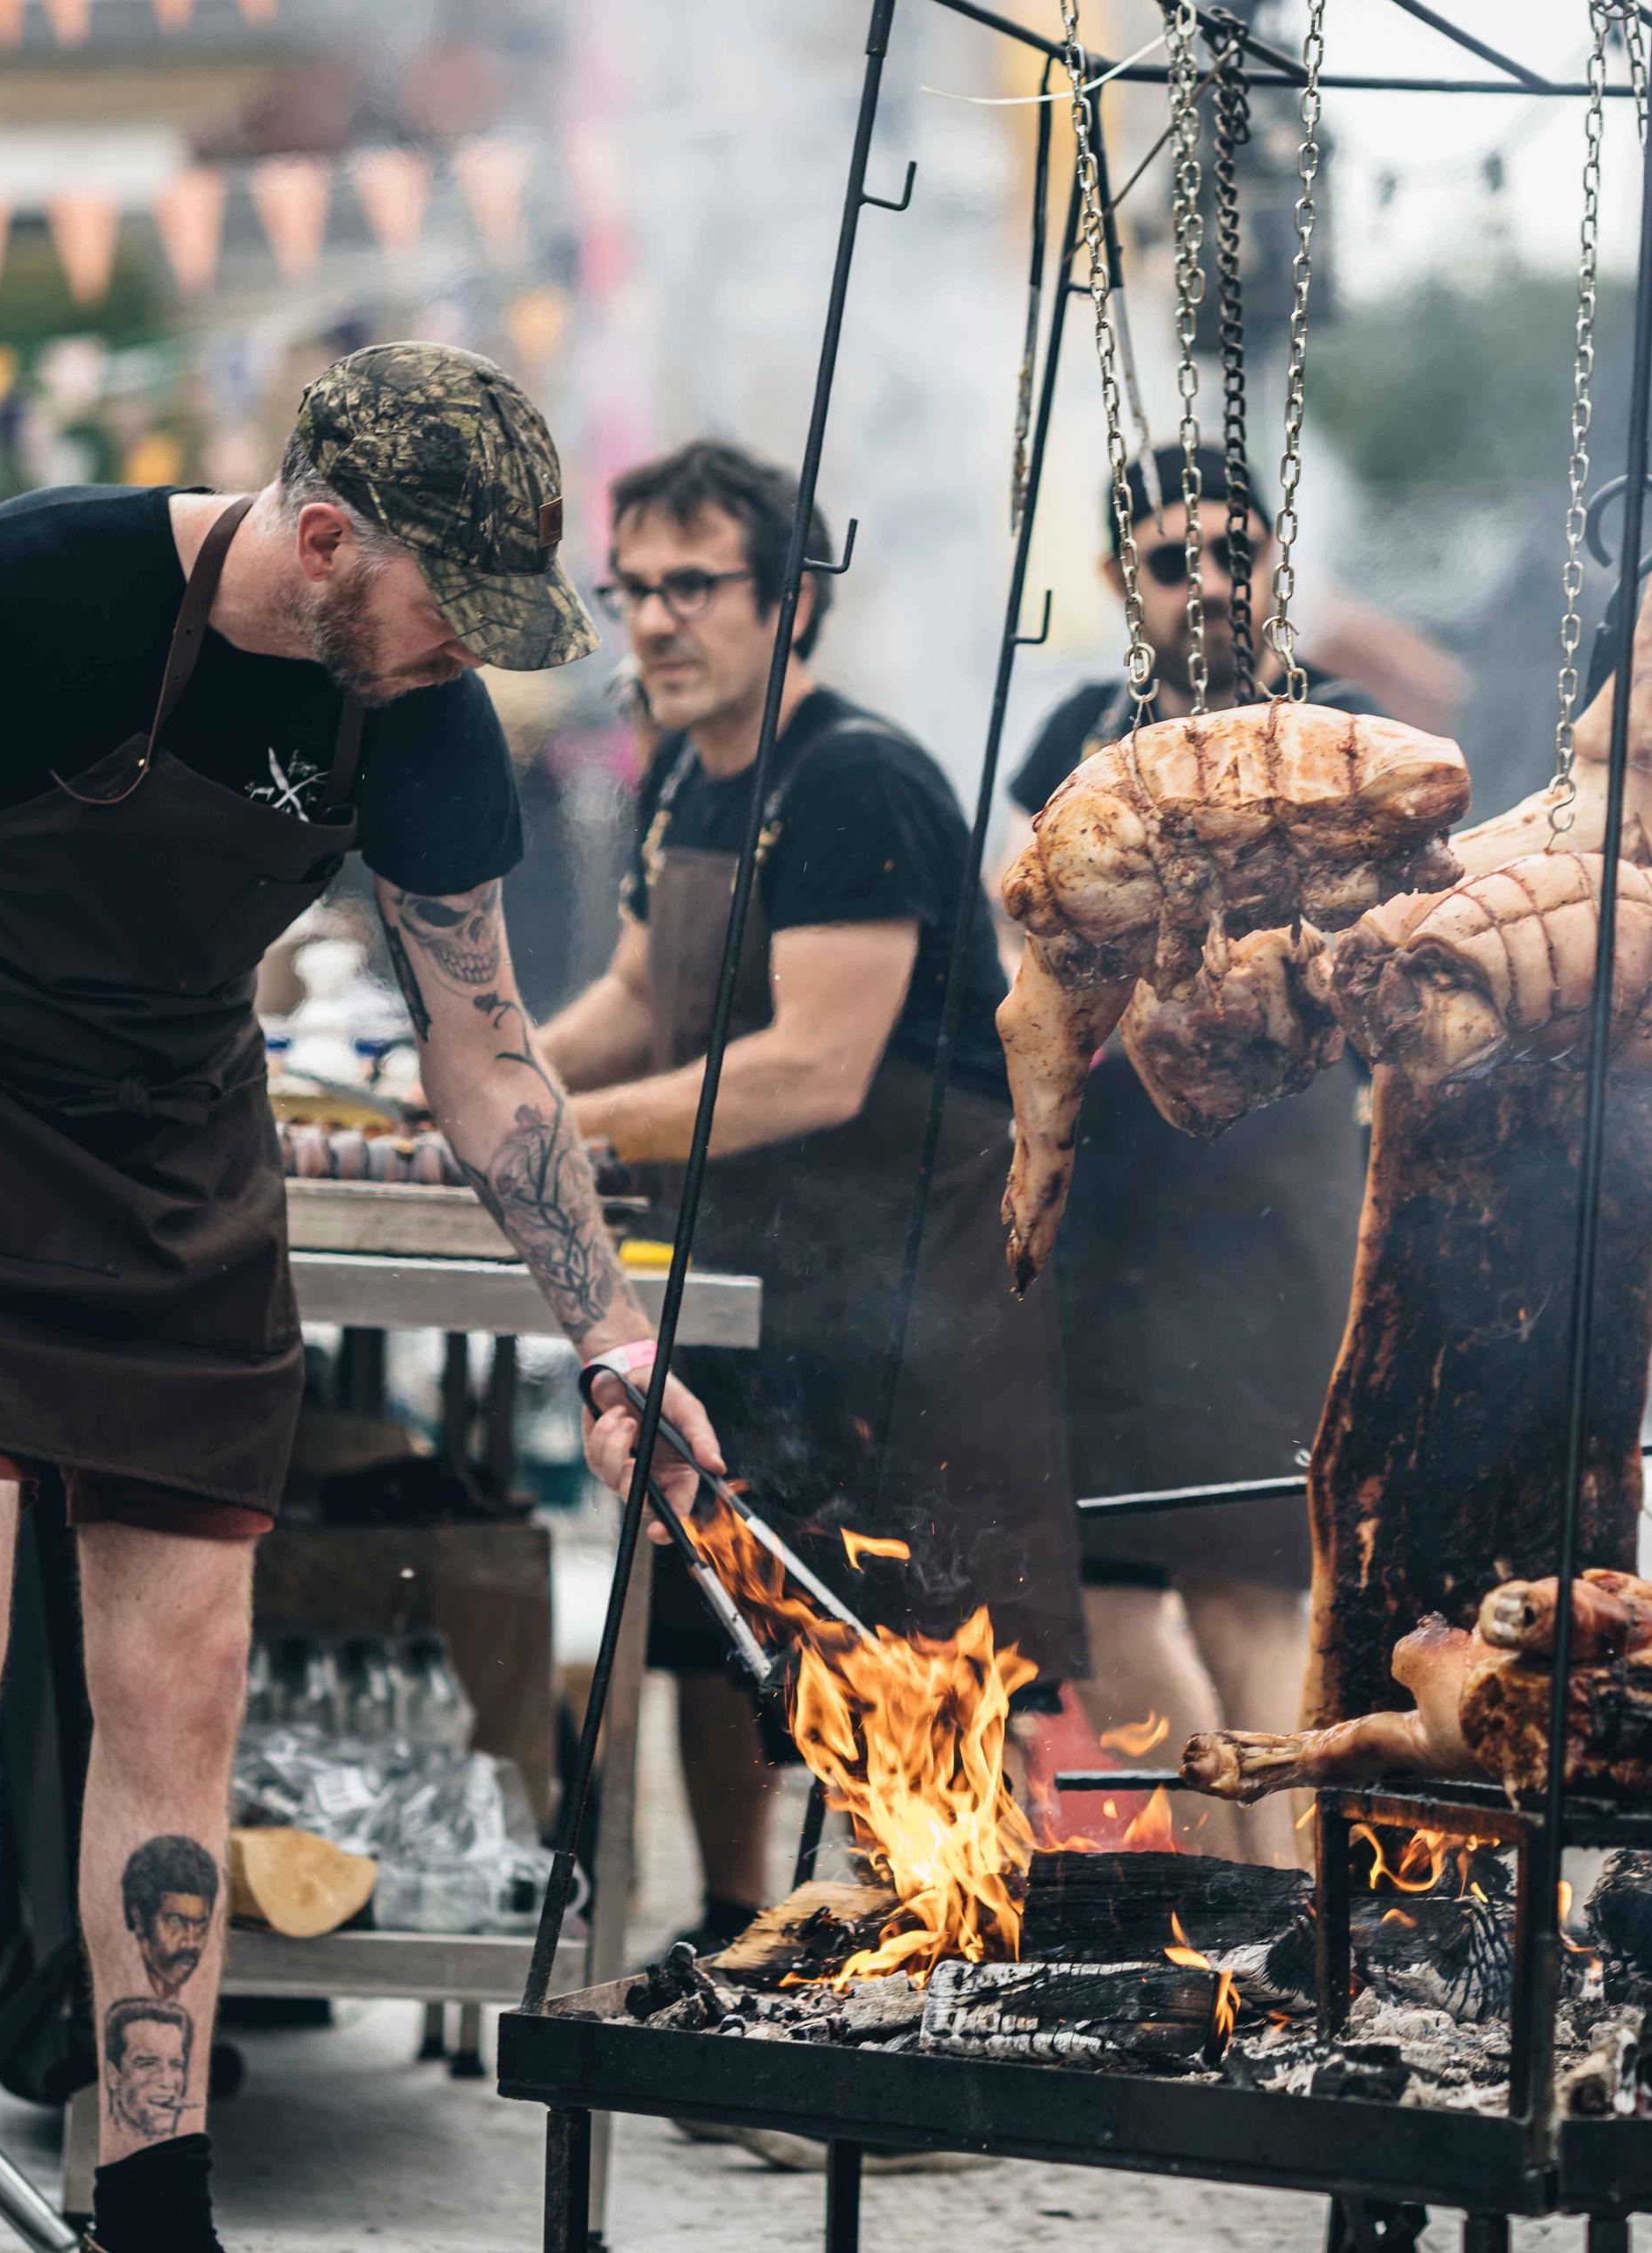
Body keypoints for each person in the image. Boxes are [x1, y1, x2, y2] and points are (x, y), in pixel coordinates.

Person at [0, 342, 722, 2253]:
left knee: (178, 1690)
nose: (474, 652)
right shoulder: (29, 580)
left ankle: (156, 2196)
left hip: (173, 1169)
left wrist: (612, 1335)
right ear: (322, 540)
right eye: (449, 607)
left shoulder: (424, 720)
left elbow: (491, 1064)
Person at [537, 438, 1083, 1955]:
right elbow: (644, 995)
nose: (656, 622)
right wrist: (486, 1081)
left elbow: (816, 1067)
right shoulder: (679, 781)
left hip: (914, 1276)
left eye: (695, 585)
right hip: (755, 1257)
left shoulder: (857, 780)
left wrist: (558, 1127)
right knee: (726, 1607)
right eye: (634, 588)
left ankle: (942, 1960)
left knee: (897, 1639)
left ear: (789, 601)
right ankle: (734, 1930)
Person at [998, 444, 1377, 1868]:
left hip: (1273, 1211)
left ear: (1276, 560)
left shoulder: (1337, 735)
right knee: (1100, 1599)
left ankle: (1282, 1907)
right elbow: (1031, 919)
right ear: (1120, 582)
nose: (1209, 585)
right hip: (1118, 1214)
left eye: (1236, 553)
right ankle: (1237, 1890)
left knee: (1250, 1596)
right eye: (1173, 562)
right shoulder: (1080, 735)